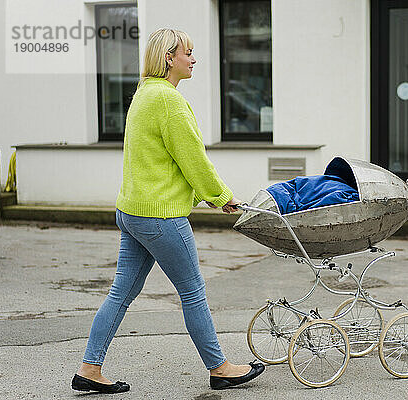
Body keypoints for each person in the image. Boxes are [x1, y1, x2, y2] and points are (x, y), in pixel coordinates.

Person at [71, 28, 264, 394]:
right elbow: (192, 158)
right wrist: (221, 196)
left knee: (120, 294)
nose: (193, 59)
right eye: (187, 53)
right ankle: (221, 368)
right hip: (159, 217)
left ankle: (90, 369)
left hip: (132, 211)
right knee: (192, 292)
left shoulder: (144, 93)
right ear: (168, 59)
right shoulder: (168, 100)